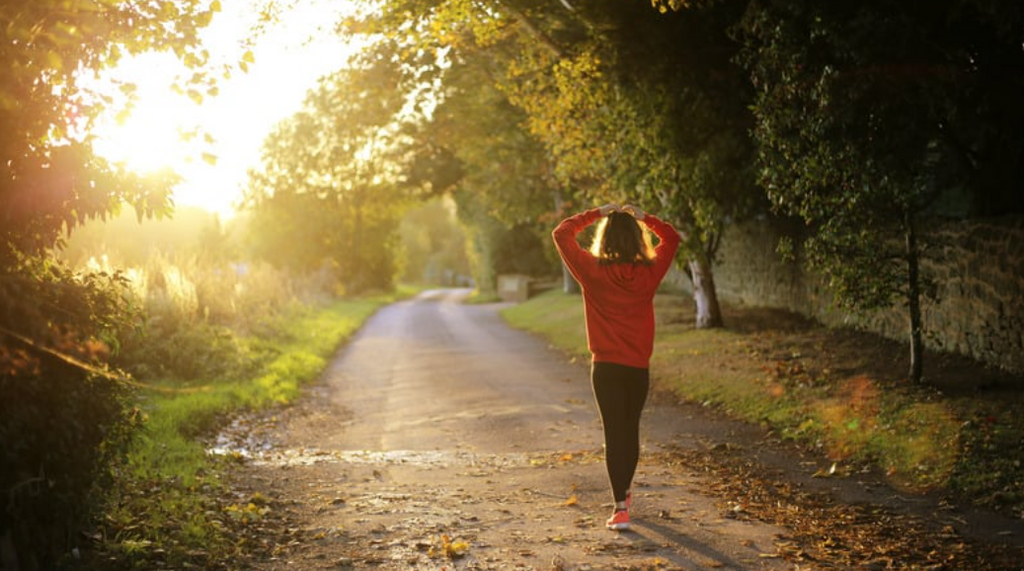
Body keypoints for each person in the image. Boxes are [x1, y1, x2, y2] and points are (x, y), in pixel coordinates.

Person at [552, 203, 681, 531]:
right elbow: (672, 238)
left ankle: (620, 507)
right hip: (637, 368)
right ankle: (624, 492)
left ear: (605, 238)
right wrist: (644, 217)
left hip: (606, 368)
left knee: (614, 433)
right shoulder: (649, 273)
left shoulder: (591, 270)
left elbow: (561, 233)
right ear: (637, 239)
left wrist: (597, 212)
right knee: (630, 430)